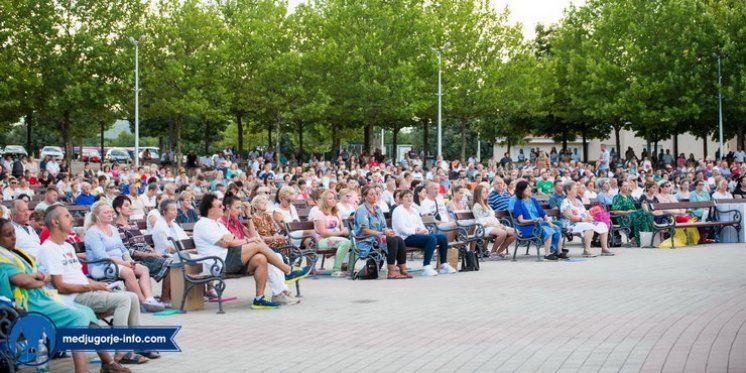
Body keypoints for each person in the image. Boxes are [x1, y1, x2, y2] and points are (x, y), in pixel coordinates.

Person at [0, 218, 131, 373]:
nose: (13, 237)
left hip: (43, 297)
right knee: (77, 317)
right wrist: (42, 279)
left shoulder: (15, 252)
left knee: (87, 312)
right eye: (8, 235)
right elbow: (26, 281)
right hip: (28, 306)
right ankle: (81, 370)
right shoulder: (2, 259)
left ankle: (108, 364)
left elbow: (39, 274)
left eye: (13, 232)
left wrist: (41, 278)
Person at [37, 204, 153, 365]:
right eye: (66, 216)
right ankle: (124, 351)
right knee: (124, 300)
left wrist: (100, 286)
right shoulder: (48, 249)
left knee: (132, 297)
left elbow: (80, 277)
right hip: (72, 298)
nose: (71, 218)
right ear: (55, 222)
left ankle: (136, 345)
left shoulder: (67, 246)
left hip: (85, 291)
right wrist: (93, 286)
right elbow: (60, 286)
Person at [193, 193, 310, 309]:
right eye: (219, 206)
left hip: (228, 258)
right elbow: (227, 242)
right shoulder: (203, 224)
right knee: (256, 244)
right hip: (218, 263)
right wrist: (247, 241)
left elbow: (232, 240)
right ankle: (288, 271)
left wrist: (236, 240)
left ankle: (259, 299)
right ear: (210, 210)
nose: (222, 207)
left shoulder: (216, 224)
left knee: (261, 259)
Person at [84, 200, 165, 312]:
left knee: (143, 269)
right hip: (102, 265)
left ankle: (149, 299)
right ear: (97, 216)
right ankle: (142, 303)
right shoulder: (93, 233)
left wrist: (130, 260)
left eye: (110, 212)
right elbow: (101, 256)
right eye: (106, 212)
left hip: (120, 263)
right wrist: (124, 263)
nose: (110, 214)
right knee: (128, 272)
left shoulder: (112, 229)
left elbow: (123, 249)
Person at [220, 195, 299, 305]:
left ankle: (282, 291)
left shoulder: (236, 222)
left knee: (272, 257)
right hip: (234, 259)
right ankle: (284, 281)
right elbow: (234, 243)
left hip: (246, 256)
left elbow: (253, 235)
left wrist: (248, 215)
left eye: (240, 208)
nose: (239, 211)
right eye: (237, 208)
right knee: (264, 252)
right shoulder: (221, 223)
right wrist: (249, 241)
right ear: (227, 207)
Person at [113, 195, 172, 306]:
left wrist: (153, 252)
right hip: (137, 259)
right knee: (168, 264)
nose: (130, 208)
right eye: (126, 205)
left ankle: (166, 297)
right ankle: (164, 299)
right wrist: (150, 255)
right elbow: (128, 250)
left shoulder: (133, 225)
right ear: (118, 209)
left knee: (172, 260)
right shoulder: (118, 228)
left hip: (147, 255)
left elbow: (143, 243)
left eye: (130, 205)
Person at [391, 190, 456, 276]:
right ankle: (426, 266)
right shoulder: (398, 211)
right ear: (401, 199)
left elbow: (420, 224)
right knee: (431, 239)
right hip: (405, 237)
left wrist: (424, 231)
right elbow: (401, 229)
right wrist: (416, 231)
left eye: (410, 196)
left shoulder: (414, 210)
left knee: (442, 237)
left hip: (417, 235)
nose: (409, 198)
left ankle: (443, 264)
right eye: (406, 196)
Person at [354, 186, 411, 279]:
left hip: (378, 237)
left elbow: (383, 226)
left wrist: (387, 231)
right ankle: (391, 272)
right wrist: (380, 233)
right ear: (364, 196)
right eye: (371, 194)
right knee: (392, 241)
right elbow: (364, 229)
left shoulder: (377, 209)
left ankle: (403, 269)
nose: (375, 196)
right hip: (365, 239)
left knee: (399, 239)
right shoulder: (361, 210)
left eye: (376, 194)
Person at [512, 180, 565, 260]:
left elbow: (542, 213)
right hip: (528, 227)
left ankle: (559, 252)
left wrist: (549, 222)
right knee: (548, 230)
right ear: (521, 191)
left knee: (556, 227)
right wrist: (533, 220)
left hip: (538, 224)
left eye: (529, 187)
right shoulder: (518, 203)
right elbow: (521, 221)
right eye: (527, 188)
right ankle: (547, 254)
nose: (530, 189)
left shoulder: (533, 200)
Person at [560, 182, 613, 257]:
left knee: (603, 224)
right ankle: (586, 250)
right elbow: (569, 216)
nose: (577, 190)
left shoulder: (578, 201)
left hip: (583, 222)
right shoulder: (565, 202)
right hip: (572, 224)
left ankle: (604, 248)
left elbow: (585, 212)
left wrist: (589, 217)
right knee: (589, 227)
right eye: (575, 188)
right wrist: (583, 219)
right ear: (568, 190)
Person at [312, 190, 352, 278]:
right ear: (324, 201)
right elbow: (322, 232)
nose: (333, 200)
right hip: (322, 241)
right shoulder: (319, 214)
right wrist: (340, 233)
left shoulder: (337, 213)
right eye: (330, 198)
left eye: (334, 198)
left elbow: (342, 228)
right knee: (345, 242)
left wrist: (344, 232)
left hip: (337, 239)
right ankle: (336, 270)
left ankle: (350, 268)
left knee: (355, 242)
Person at [472, 184, 515, 258]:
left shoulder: (487, 205)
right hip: (483, 228)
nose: (486, 194)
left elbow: (493, 218)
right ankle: (493, 252)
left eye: (486, 192)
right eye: (484, 192)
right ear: (478, 194)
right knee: (502, 233)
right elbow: (483, 223)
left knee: (514, 233)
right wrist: (497, 226)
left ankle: (498, 252)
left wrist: (500, 226)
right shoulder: (477, 206)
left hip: (493, 226)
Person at [611, 181, 653, 246]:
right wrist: (626, 212)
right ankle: (640, 240)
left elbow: (634, 208)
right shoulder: (617, 197)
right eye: (624, 186)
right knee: (643, 214)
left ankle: (644, 240)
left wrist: (632, 211)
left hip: (632, 215)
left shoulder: (629, 197)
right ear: (619, 187)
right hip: (623, 217)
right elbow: (615, 211)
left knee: (645, 216)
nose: (627, 187)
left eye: (627, 186)